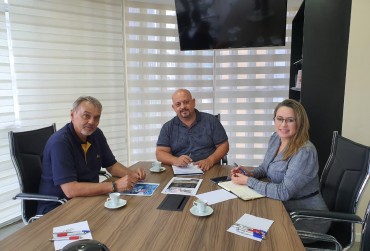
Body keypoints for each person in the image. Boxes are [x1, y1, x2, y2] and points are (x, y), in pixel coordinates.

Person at [231, 99, 330, 234]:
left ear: (300, 123)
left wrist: (248, 181)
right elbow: (265, 167)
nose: (283, 124)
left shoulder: (304, 152)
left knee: (250, 233)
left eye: (290, 120)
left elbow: (284, 192)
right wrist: (250, 174)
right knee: (239, 224)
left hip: (306, 217)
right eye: (279, 119)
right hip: (282, 208)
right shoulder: (276, 138)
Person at [37, 96, 146, 214]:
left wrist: (132, 174)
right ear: (72, 115)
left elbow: (111, 165)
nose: (92, 122)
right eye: (86, 116)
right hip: (59, 207)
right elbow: (70, 190)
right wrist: (114, 186)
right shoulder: (60, 143)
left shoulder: (96, 134)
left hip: (87, 199)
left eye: (96, 117)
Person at [156, 89, 229, 171]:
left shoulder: (211, 121)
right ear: (174, 107)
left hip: (209, 168)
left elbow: (224, 145)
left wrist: (210, 160)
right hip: (180, 170)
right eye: (178, 104)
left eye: (186, 102)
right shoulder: (168, 127)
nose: (183, 107)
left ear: (193, 102)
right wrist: (175, 160)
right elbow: (160, 153)